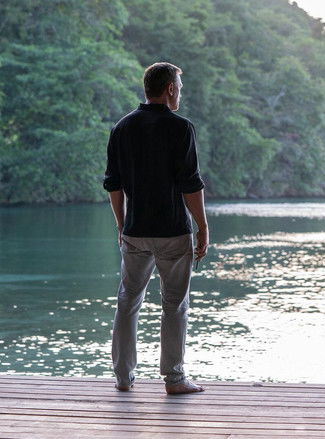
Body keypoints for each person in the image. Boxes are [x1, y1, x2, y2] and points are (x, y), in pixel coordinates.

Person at [103, 62, 208, 395]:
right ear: (170, 89)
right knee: (174, 305)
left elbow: (113, 184)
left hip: (135, 231)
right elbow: (190, 184)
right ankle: (174, 379)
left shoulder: (122, 127)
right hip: (173, 231)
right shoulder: (181, 128)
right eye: (180, 88)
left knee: (127, 301)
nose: (180, 94)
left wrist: (122, 224)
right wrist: (202, 226)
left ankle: (123, 377)